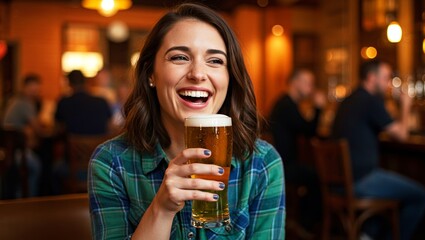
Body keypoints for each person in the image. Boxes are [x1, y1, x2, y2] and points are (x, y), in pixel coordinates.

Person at [88, 3, 285, 240]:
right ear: (151, 73)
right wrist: (161, 209)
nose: (198, 74)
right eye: (180, 57)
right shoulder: (111, 163)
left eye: (215, 61)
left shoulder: (262, 163)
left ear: (229, 77)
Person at [332, 59, 425, 240]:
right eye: (385, 78)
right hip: (360, 180)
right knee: (421, 196)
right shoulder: (370, 101)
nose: (388, 84)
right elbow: (402, 135)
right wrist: (406, 105)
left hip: (340, 181)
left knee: (385, 202)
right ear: (371, 77)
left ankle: (367, 234)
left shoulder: (349, 100)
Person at [269, 68, 325, 234]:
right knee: (317, 176)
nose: (311, 88)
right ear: (294, 82)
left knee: (312, 174)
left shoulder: (286, 103)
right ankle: (306, 224)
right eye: (308, 83)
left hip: (283, 162)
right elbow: (309, 130)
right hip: (283, 165)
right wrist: (318, 109)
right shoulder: (286, 105)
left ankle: (304, 221)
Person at [2, 74, 43, 197]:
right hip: (15, 152)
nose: (35, 91)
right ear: (25, 87)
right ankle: (28, 200)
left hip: (6, 152)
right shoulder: (25, 103)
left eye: (36, 88)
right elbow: (38, 130)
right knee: (36, 166)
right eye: (32, 88)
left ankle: (20, 196)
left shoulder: (14, 100)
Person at [55, 70, 112, 136]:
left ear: (69, 84)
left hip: (73, 145)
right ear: (86, 82)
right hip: (99, 144)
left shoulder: (64, 103)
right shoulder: (102, 102)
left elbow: (57, 127)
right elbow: (110, 126)